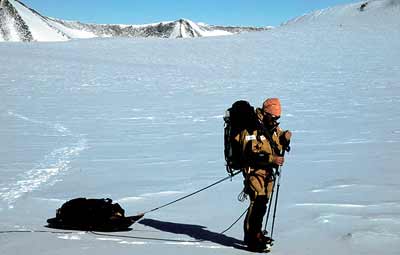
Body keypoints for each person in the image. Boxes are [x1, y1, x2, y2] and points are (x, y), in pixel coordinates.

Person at [236, 98, 291, 252]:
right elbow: (249, 154)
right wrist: (272, 158)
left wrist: (284, 139)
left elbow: (275, 144)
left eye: (278, 118)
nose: (276, 120)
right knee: (257, 203)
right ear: (266, 113)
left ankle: (257, 233)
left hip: (267, 172)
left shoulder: (271, 127)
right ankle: (252, 239)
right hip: (254, 171)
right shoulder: (252, 129)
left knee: (262, 203)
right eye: (274, 117)